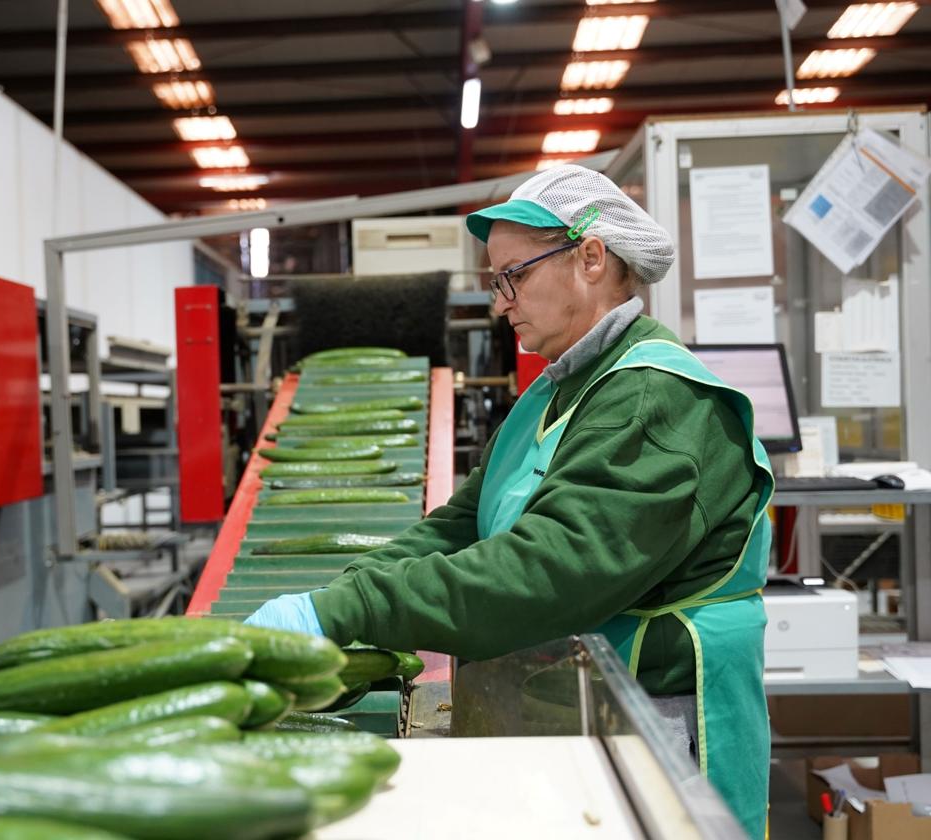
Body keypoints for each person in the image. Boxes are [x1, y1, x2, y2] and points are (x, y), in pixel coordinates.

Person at [245, 164, 774, 839]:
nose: (501, 302)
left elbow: (545, 573)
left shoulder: (652, 399)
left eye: (513, 277)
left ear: (590, 257)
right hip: (583, 701)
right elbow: (460, 526)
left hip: (660, 724)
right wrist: (336, 603)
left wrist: (346, 611)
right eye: (496, 281)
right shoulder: (560, 391)